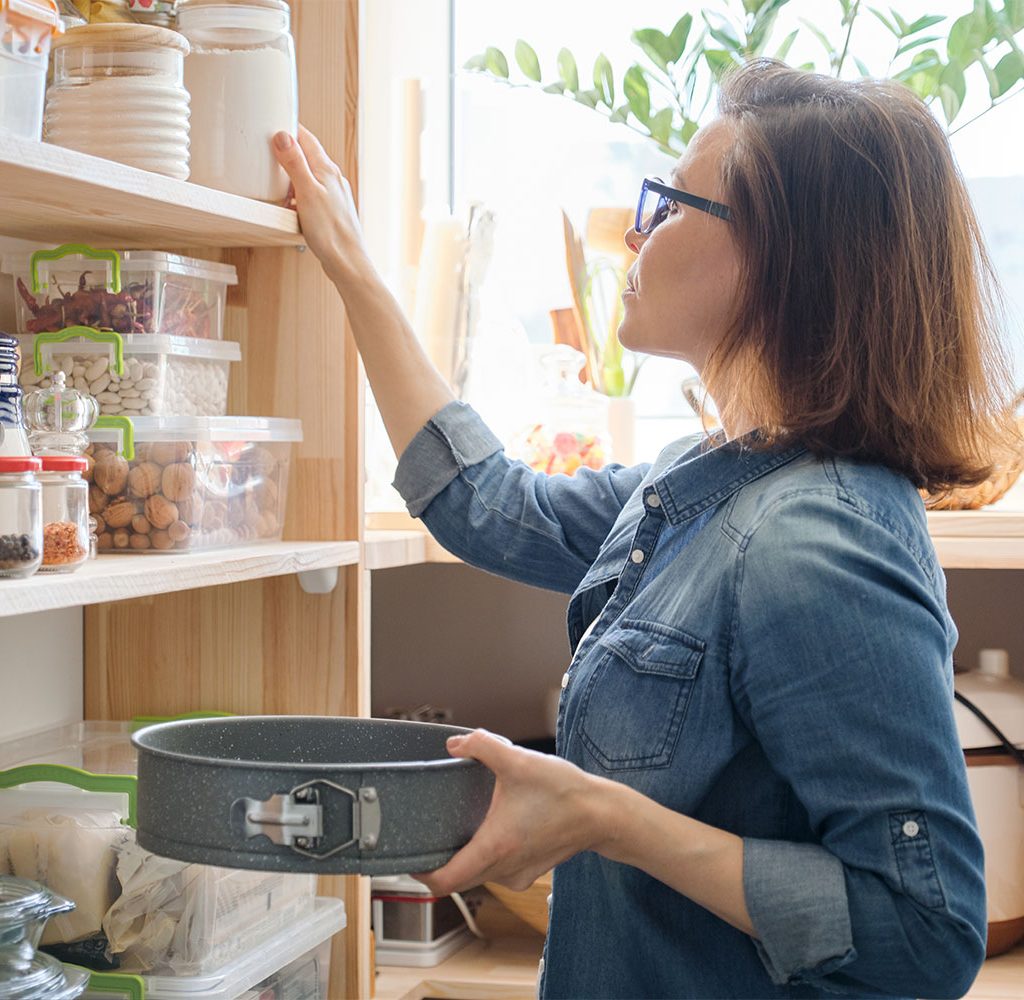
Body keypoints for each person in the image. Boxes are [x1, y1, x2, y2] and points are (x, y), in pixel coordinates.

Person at [272, 58, 1009, 1000]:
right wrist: (357, 271)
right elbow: (488, 505)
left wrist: (604, 818)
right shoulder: (701, 482)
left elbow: (924, 933)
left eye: (669, 205)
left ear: (778, 259)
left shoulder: (818, 541)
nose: (634, 230)